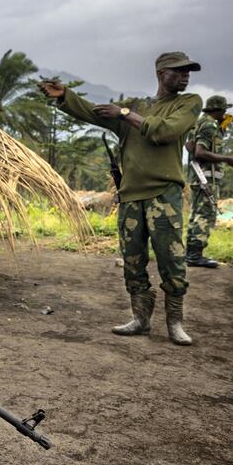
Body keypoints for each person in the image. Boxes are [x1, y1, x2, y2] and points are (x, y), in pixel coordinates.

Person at [40, 52, 203, 346]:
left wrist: (125, 114)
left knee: (171, 259)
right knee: (133, 259)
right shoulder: (138, 106)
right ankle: (140, 318)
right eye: (178, 71)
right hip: (130, 195)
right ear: (161, 73)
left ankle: (175, 322)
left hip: (164, 193)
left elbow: (165, 132)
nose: (185, 76)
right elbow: (95, 113)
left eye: (188, 71)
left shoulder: (188, 103)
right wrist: (66, 96)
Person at [185, 95, 233, 268]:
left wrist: (221, 129)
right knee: (205, 215)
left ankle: (191, 254)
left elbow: (189, 146)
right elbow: (200, 152)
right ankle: (194, 256)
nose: (225, 114)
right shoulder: (209, 125)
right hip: (205, 178)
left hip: (198, 176)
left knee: (197, 214)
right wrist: (227, 159)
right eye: (224, 110)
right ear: (217, 110)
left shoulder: (200, 123)